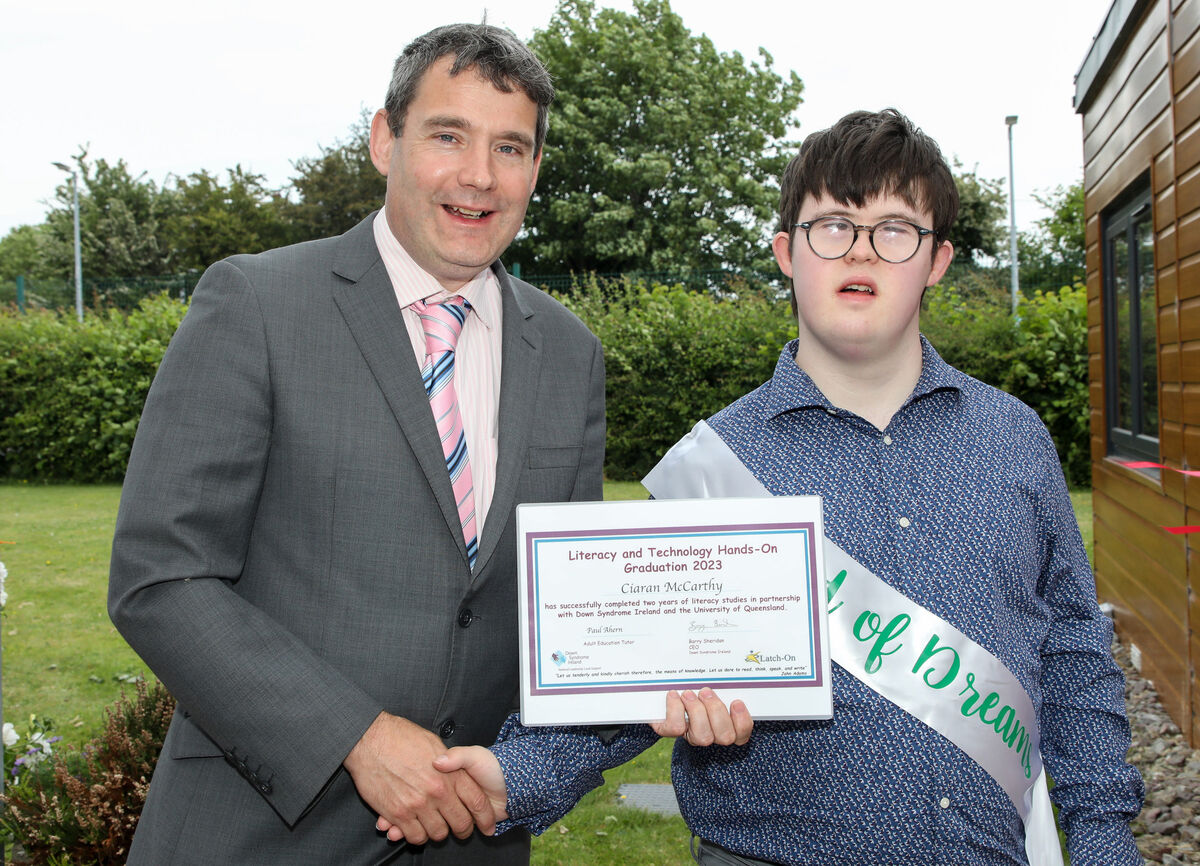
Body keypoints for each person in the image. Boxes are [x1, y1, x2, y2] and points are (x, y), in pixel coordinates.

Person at [427, 109, 1145, 866]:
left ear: (937, 261)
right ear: (785, 253)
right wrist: (515, 776)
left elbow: (1071, 650)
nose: (861, 251)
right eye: (832, 225)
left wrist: (1101, 833)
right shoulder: (716, 467)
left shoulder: (1016, 441)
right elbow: (621, 676)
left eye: (895, 229)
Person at [107, 23, 608, 865]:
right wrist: (359, 738)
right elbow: (161, 576)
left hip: (468, 836)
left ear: (535, 169)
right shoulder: (256, 304)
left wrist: (675, 673)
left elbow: (568, 613)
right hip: (260, 834)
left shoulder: (568, 352)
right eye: (448, 136)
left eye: (511, 148)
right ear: (385, 139)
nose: (479, 176)